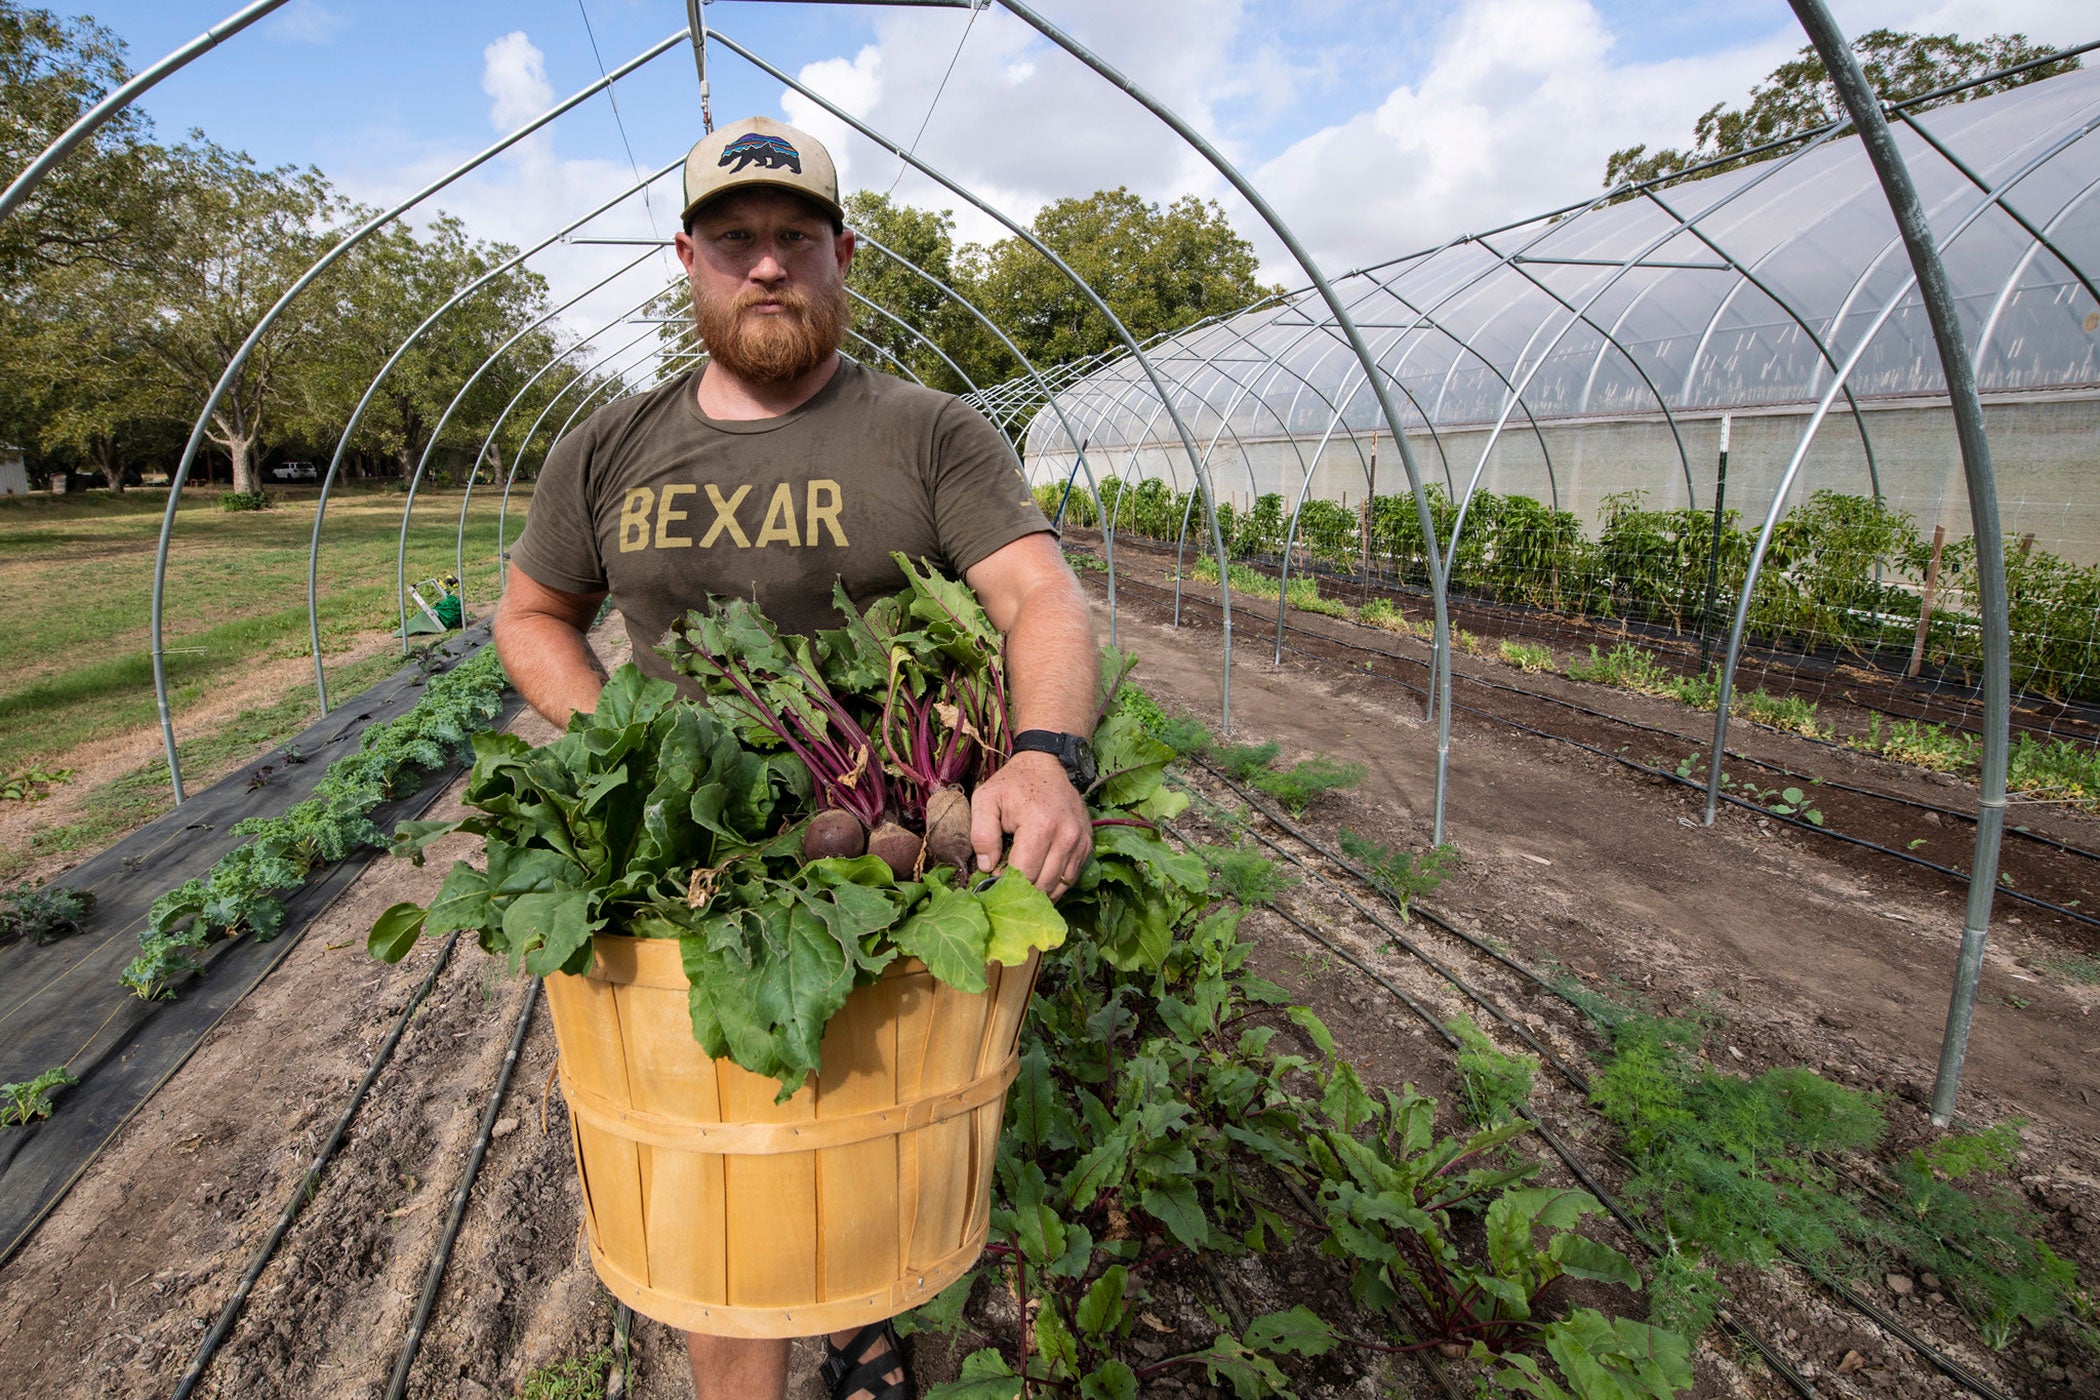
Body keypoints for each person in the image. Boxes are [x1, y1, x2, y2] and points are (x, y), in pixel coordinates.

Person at [493, 116, 1099, 1400]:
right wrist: (626, 749)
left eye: (794, 239)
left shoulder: (931, 432)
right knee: (734, 1177)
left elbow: (1039, 598)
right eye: (735, 242)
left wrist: (1044, 755)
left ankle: (859, 1321)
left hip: (890, 863)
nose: (765, 264)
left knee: (862, 1149)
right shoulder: (605, 444)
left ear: (842, 255)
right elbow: (529, 615)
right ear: (689, 259)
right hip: (697, 872)